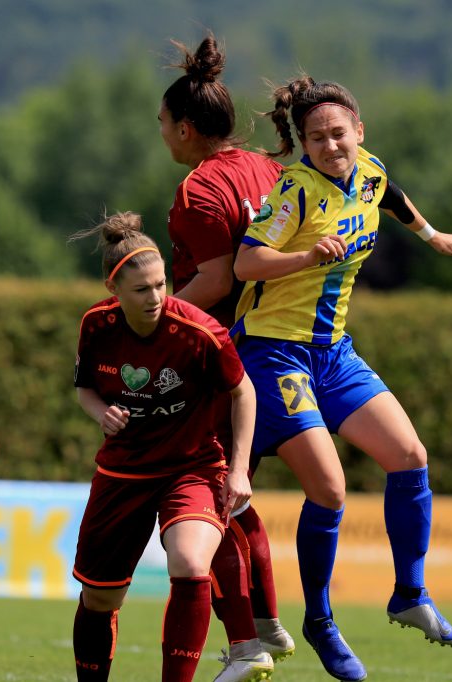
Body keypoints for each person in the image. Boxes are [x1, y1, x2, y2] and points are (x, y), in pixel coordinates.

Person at [231, 75, 452, 681]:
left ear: (358, 132)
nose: (330, 144)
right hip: (274, 352)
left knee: (410, 454)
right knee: (332, 490)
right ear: (305, 146)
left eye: (338, 133)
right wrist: (305, 256)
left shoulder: (368, 169)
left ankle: (409, 594)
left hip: (333, 352)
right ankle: (319, 621)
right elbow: (245, 262)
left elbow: (389, 194)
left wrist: (431, 235)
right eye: (317, 137)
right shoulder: (295, 191)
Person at [68, 212, 256, 682]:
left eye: (161, 284)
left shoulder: (199, 331)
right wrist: (101, 414)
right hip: (123, 473)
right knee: (100, 599)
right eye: (141, 289)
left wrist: (238, 470)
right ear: (114, 291)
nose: (155, 297)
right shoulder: (96, 325)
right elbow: (85, 389)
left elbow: (243, 391)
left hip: (192, 468)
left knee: (191, 563)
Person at [159, 32, 293, 681]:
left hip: (217, 357)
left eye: (162, 122)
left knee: (200, 504)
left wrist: (157, 323)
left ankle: (246, 645)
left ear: (186, 128)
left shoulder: (198, 189)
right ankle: (263, 621)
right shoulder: (265, 168)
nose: (160, 133)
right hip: (273, 349)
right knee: (234, 495)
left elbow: (212, 278)